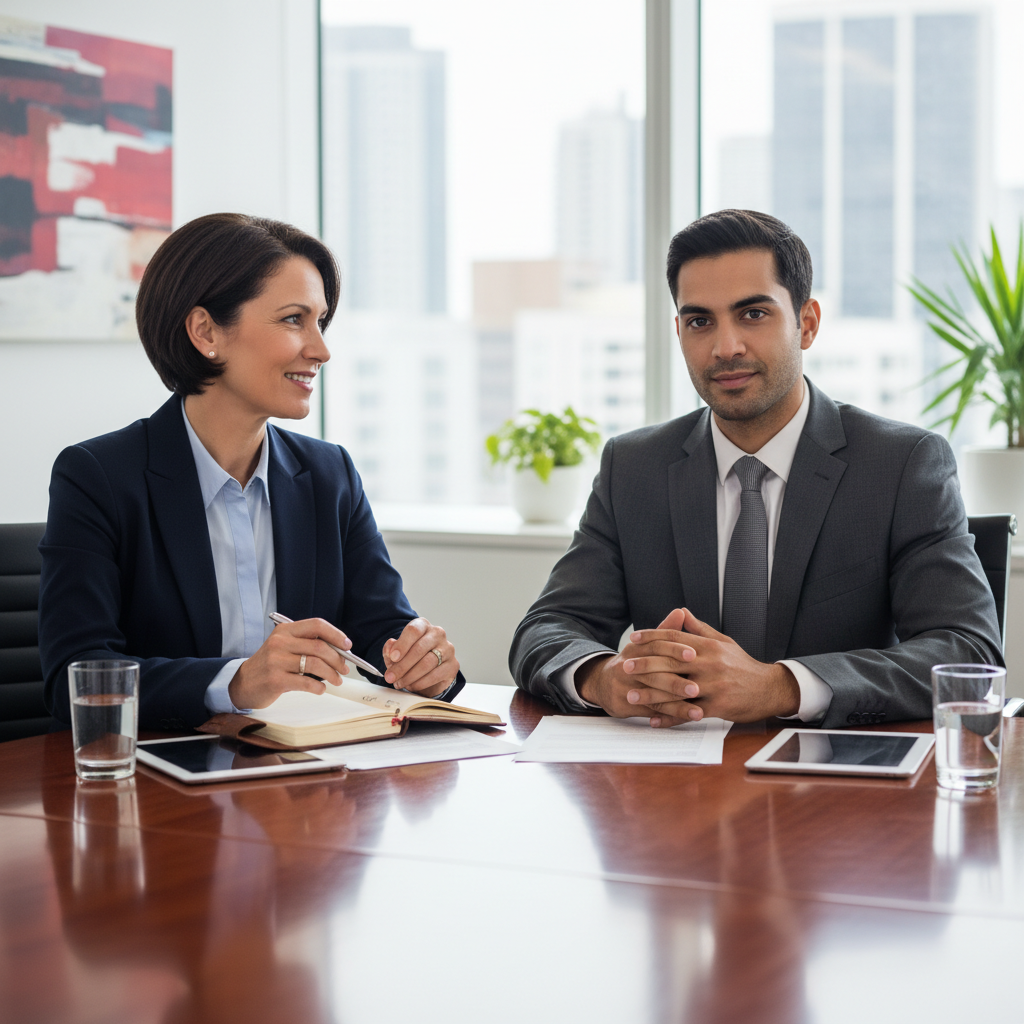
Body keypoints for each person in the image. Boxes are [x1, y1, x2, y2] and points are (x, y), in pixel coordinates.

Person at [510, 209, 1002, 729]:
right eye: (700, 321)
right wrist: (603, 676)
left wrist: (780, 686)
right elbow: (546, 628)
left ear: (806, 323)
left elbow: (967, 654)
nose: (726, 348)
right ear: (679, 332)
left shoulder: (901, 465)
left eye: (753, 314)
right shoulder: (633, 468)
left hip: (838, 792)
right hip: (671, 791)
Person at [40, 213, 463, 731]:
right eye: (293, 320)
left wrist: (423, 663)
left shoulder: (330, 475)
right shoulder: (98, 477)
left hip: (307, 785)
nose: (321, 350)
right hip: (165, 782)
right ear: (206, 331)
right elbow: (73, 678)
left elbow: (382, 631)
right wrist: (238, 681)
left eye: (320, 322)